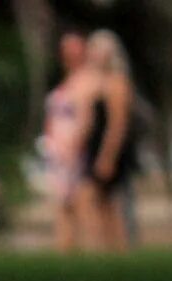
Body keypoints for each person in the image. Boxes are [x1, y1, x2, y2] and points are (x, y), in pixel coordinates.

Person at [75, 30, 139, 252]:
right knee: (105, 205)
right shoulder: (97, 83)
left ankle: (108, 249)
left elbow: (117, 125)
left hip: (109, 151)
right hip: (95, 148)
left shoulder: (117, 82)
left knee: (90, 198)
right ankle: (110, 252)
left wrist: (107, 157)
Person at [41, 32, 94, 252]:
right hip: (57, 150)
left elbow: (87, 118)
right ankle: (64, 249)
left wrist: (76, 146)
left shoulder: (88, 81)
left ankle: (89, 250)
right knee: (62, 204)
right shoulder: (63, 82)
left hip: (77, 149)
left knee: (82, 203)